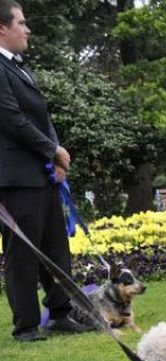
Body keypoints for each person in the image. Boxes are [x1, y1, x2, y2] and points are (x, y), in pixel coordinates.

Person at [0, 0, 91, 341]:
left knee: (55, 246)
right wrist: (52, 149)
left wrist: (56, 159)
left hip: (42, 173)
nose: (28, 29)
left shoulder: (20, 67)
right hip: (15, 177)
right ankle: (25, 324)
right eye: (21, 23)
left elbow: (42, 117)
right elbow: (12, 119)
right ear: (2, 28)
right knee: (22, 252)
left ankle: (60, 312)